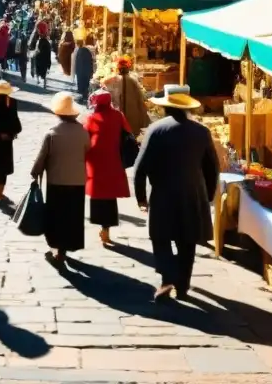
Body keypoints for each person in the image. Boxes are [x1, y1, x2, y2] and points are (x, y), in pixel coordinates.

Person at [134, 85, 219, 301]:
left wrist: (141, 197)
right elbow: (212, 167)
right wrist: (208, 194)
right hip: (193, 193)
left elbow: (140, 167)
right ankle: (183, 285)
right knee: (187, 241)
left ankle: (167, 277)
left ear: (165, 107)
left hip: (163, 192)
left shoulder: (156, 130)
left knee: (160, 237)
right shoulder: (202, 131)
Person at [31, 92, 90, 266]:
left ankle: (58, 250)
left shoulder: (52, 133)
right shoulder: (83, 132)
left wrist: (35, 172)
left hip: (57, 181)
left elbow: (42, 156)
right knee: (73, 215)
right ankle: (68, 246)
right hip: (78, 181)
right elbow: (87, 149)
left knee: (57, 216)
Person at [84, 89, 132, 245]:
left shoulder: (92, 118)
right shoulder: (118, 116)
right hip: (113, 161)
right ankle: (106, 230)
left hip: (95, 162)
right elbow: (128, 132)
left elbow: (85, 138)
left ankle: (102, 229)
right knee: (110, 197)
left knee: (98, 195)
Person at [73, 36, 94, 101]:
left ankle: (83, 95)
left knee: (81, 83)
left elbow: (77, 62)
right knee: (85, 83)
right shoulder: (87, 50)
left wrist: (76, 70)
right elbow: (91, 61)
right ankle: (84, 95)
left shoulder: (80, 50)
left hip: (81, 71)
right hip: (86, 70)